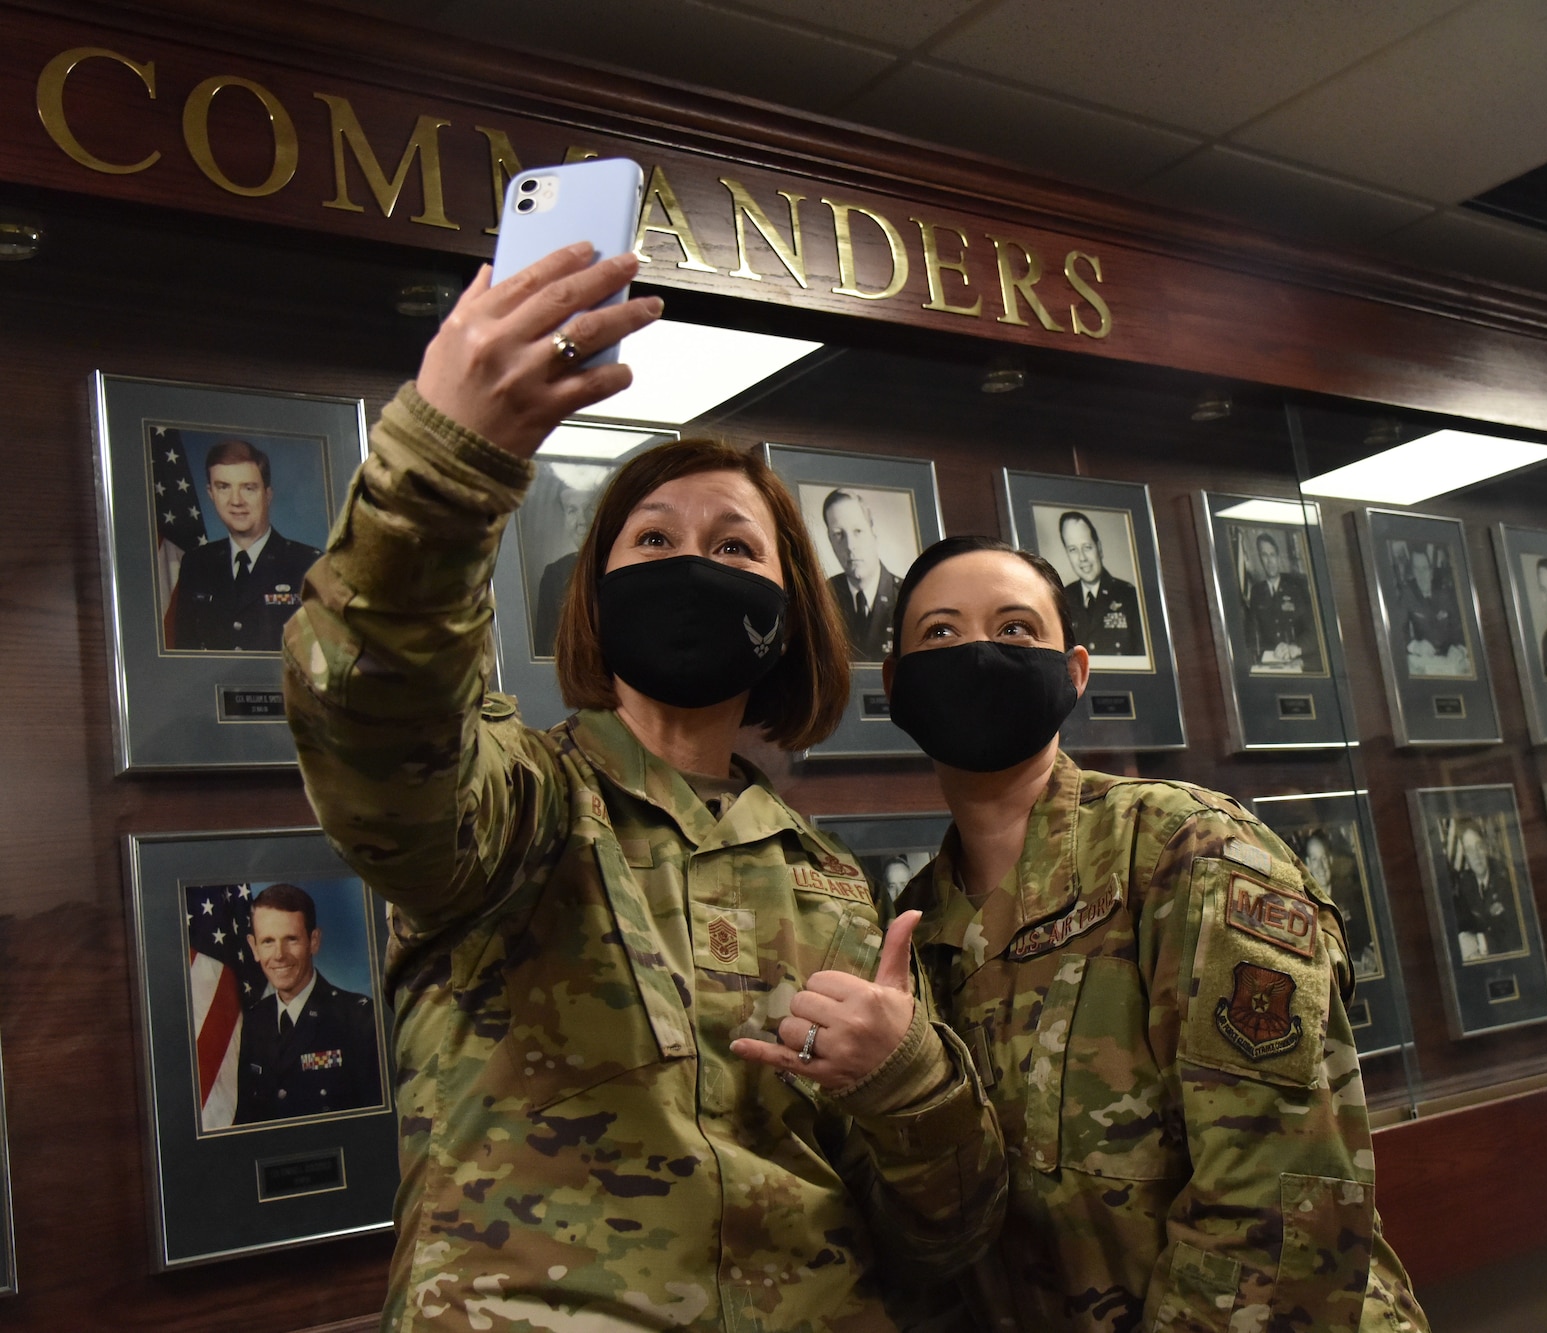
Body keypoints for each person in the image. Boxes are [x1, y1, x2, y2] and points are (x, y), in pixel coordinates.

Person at [282, 243, 1004, 1330]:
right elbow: (373, 712)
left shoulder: (834, 889)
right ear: (594, 597)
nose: (692, 563)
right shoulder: (513, 806)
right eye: (653, 539)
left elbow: (944, 1234)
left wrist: (904, 1081)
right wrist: (445, 463)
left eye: (734, 546)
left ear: (786, 614)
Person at [879, 533, 1428, 1332]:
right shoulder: (916, 934)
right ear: (895, 687)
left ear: (1073, 673)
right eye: (940, 633)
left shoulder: (1189, 851)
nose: (979, 655)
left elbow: (1282, 1201)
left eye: (1014, 630)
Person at [234, 883, 383, 1124]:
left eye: (291, 939)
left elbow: (375, 1123)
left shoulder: (357, 1017)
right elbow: (246, 1121)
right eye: (268, 941)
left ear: (314, 941)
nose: (279, 955)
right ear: (254, 947)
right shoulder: (255, 1019)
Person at [164, 438, 321, 651]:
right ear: (211, 493)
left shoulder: (309, 564)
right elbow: (184, 653)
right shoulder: (196, 564)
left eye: (248, 488)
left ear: (267, 494)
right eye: (224, 487)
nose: (236, 501)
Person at [530, 462, 608, 656]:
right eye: (572, 510)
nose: (582, 520)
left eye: (589, 508)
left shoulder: (627, 567)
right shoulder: (554, 574)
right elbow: (545, 650)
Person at [824, 488, 901, 661]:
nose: (850, 546)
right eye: (838, 534)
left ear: (873, 532)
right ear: (830, 540)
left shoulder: (907, 595)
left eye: (858, 531)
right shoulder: (822, 597)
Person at [1055, 510, 1143, 658]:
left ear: (1099, 548)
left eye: (1087, 547)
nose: (1082, 558)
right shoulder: (1063, 599)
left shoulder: (1129, 596)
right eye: (1073, 550)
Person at [1302, 827, 1378, 977]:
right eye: (1315, 860)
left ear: (1330, 860)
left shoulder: (1351, 895)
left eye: (1323, 858)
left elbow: (1369, 935)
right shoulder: (1303, 903)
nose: (1321, 867)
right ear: (1308, 864)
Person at [1244, 531, 1319, 671]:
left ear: (1278, 557)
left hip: (1296, 661)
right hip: (1269, 663)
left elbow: (1314, 632)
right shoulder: (1257, 591)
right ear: (1260, 558)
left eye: (1272, 555)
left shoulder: (1296, 589)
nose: (1269, 561)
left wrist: (1296, 647)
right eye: (1264, 555)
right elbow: (1252, 635)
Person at [1448, 821, 1521, 959]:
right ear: (1465, 856)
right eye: (1469, 850)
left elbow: (1517, 933)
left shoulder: (1506, 880)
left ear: (1486, 848)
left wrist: (1479, 942)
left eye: (1479, 847)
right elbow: (1463, 922)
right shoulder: (1465, 883)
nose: (1476, 855)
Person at [1398, 544, 1466, 677]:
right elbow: (1397, 629)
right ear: (1412, 572)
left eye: (1424, 569)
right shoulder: (1408, 594)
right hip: (1425, 660)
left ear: (1431, 571)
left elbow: (1462, 625)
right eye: (1417, 569)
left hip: (1451, 657)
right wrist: (1415, 645)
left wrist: (1460, 648)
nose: (1421, 574)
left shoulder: (1445, 591)